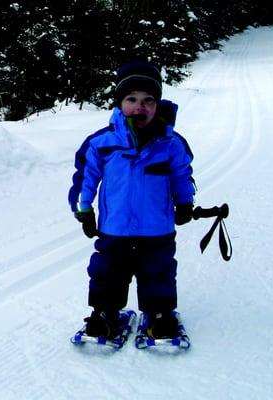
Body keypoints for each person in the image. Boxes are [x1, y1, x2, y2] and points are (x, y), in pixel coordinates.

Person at [68, 61, 196, 339]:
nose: (140, 106)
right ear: (119, 103)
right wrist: (84, 209)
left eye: (149, 100)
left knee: (158, 271)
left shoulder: (170, 143)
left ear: (157, 103)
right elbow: (85, 177)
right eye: (132, 99)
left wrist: (185, 203)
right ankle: (104, 313)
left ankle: (159, 314)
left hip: (157, 228)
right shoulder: (102, 142)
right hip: (115, 227)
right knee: (108, 271)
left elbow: (182, 174)